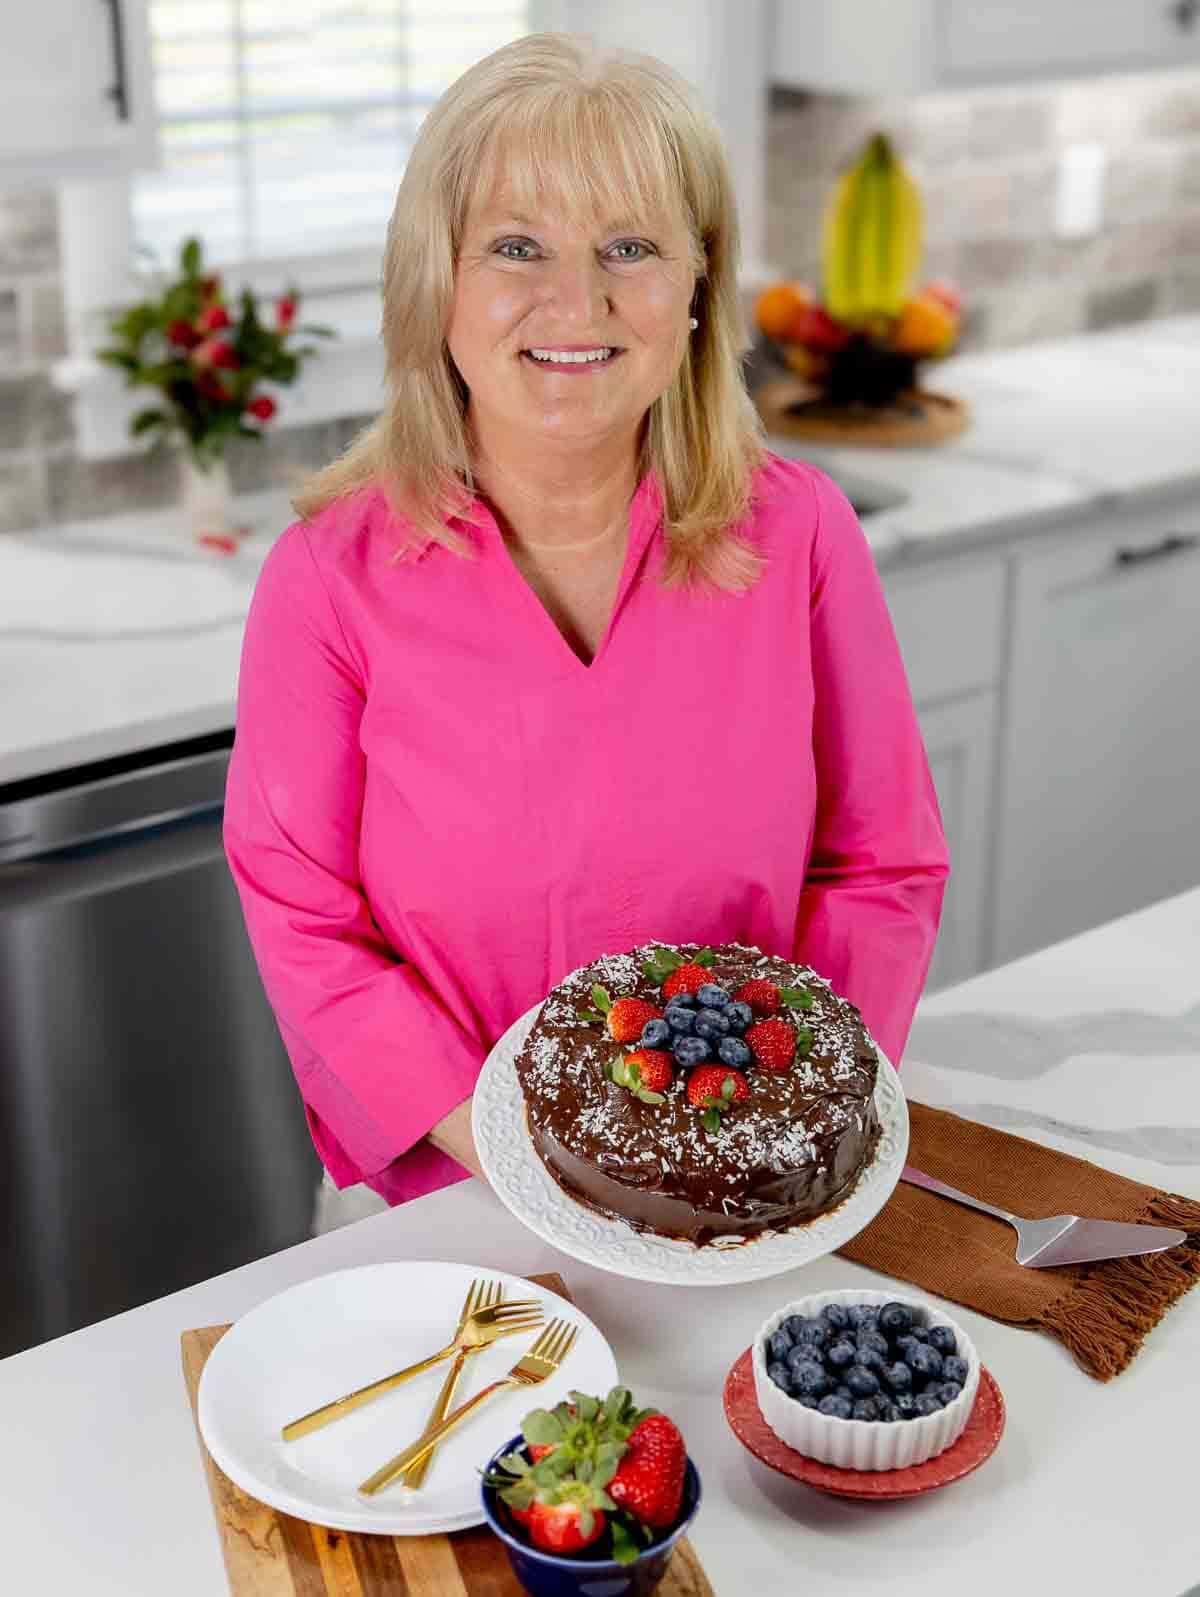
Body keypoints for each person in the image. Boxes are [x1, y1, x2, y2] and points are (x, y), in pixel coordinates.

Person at [222, 31, 950, 1236]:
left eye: (631, 247)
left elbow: (881, 865)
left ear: (699, 283)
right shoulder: (327, 580)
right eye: (518, 246)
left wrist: (777, 1136)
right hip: (455, 1196)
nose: (581, 301)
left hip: (750, 1193)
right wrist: (519, 1158)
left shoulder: (802, 534)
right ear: (433, 281)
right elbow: (304, 917)